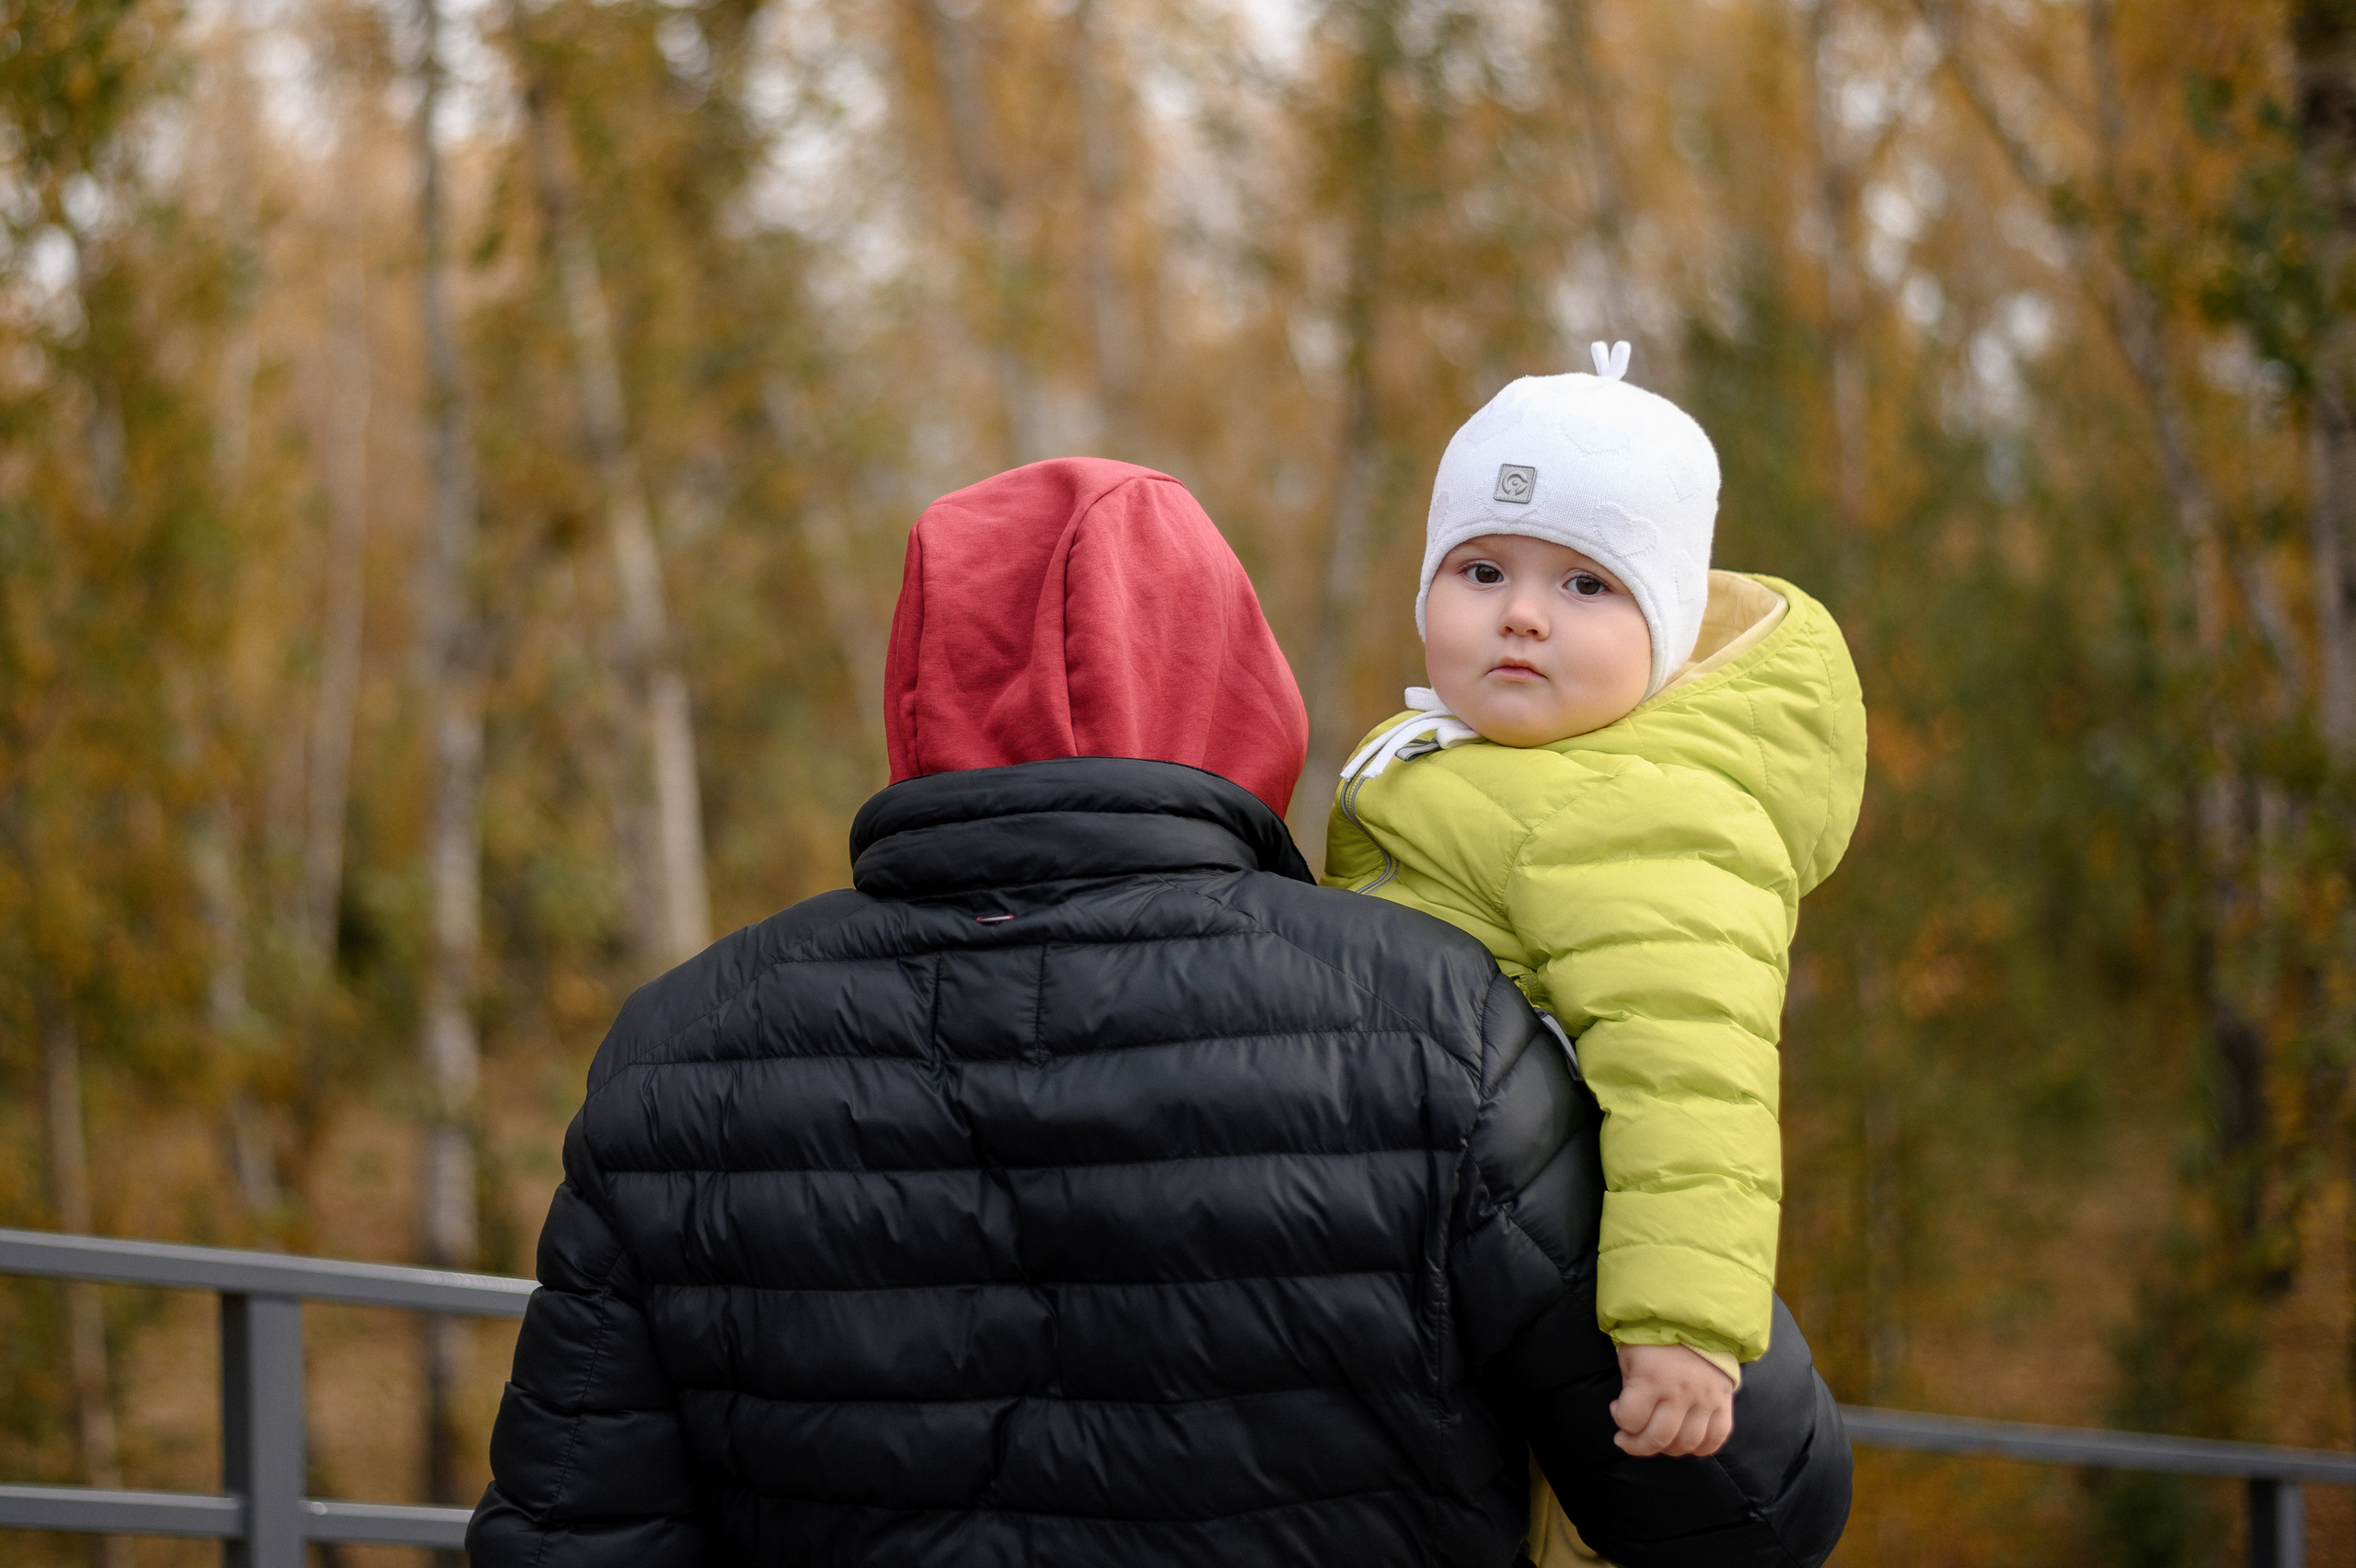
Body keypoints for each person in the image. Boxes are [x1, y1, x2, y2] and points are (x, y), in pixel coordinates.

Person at [469, 457, 1632, 1566]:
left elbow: (572, 1530)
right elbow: (1732, 1505)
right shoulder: (1435, 1017)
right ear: (1226, 674)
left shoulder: (673, 1051)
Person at [1323, 344, 1863, 1567]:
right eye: (1481, 568)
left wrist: (1680, 1324)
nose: (1521, 611)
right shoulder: (1469, 774)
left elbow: (1696, 1074)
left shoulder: (1640, 812)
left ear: (1665, 637)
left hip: (1569, 1311)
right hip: (1441, 1270)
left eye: (1586, 585)